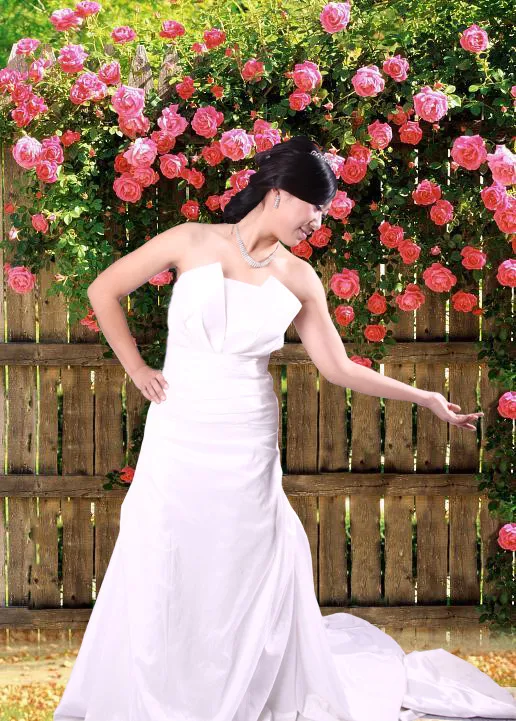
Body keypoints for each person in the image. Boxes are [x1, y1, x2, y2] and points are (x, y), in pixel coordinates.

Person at [54, 135, 515, 721]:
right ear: (277, 193)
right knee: (165, 545)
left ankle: (245, 684)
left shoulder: (300, 278)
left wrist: (423, 396)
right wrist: (138, 368)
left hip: (247, 433)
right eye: (313, 207)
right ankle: (164, 689)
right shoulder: (190, 240)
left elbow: (338, 367)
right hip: (180, 427)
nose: (318, 222)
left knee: (241, 556)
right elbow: (103, 290)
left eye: (323, 211)